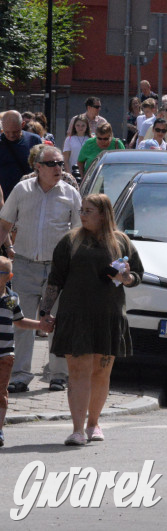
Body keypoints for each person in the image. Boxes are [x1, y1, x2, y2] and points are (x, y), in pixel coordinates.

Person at [39, 194, 143, 446]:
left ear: (103, 214)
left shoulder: (122, 242)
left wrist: (127, 278)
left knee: (100, 372)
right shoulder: (70, 241)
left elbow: (138, 275)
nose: (82, 215)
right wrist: (44, 312)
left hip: (109, 316)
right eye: (81, 210)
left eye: (88, 211)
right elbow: (55, 279)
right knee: (77, 372)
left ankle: (93, 423)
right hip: (76, 315)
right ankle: (76, 430)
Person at [0, 145, 82, 393]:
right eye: (52, 164)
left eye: (60, 163)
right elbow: (4, 224)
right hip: (24, 264)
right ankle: (20, 375)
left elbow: (78, 233)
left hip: (58, 270)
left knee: (56, 319)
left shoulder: (70, 193)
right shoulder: (22, 190)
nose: (58, 167)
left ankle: (58, 374)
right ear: (38, 167)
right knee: (21, 321)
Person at [0, 257, 54, 446]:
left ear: (9, 277)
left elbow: (19, 321)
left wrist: (39, 325)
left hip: (5, 354)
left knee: (2, 393)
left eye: (1, 273)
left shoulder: (11, 299)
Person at [0, 111, 43, 202]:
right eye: (7, 132)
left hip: (29, 195)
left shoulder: (34, 140)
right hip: (4, 197)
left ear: (23, 124)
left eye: (15, 131)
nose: (11, 135)